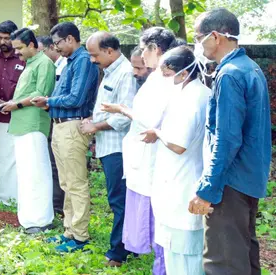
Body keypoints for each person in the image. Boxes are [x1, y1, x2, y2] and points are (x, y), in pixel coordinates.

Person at [190, 8, 270, 274]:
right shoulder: (250, 68)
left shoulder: (230, 74)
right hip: (248, 177)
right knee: (244, 253)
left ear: (215, 36)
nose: (196, 44)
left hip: (230, 181)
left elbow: (226, 139)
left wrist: (208, 188)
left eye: (198, 37)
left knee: (222, 260)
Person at [108, 27, 180, 275]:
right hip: (146, 157)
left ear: (156, 50)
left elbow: (150, 119)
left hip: (156, 158)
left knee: (160, 222)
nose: (142, 58)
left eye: (145, 50)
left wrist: (122, 110)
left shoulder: (164, 79)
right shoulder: (159, 77)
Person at [32, 22, 99, 253]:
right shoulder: (69, 61)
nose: (55, 47)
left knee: (77, 183)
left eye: (58, 43)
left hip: (72, 127)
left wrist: (48, 101)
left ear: (70, 39)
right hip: (59, 126)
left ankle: (80, 236)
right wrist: (48, 102)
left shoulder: (83, 61)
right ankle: (69, 230)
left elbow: (76, 99)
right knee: (66, 182)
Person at [148, 46, 211, 275]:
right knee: (182, 252)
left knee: (184, 255)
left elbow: (178, 144)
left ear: (183, 74)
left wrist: (157, 132)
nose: (164, 79)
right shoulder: (198, 92)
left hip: (183, 180)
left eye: (166, 74)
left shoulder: (192, 99)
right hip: (182, 176)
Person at [82, 32, 139, 266]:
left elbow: (124, 116)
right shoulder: (111, 71)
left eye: (95, 55)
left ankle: (118, 253)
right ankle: (131, 245)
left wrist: (94, 126)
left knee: (119, 200)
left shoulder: (126, 73)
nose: (93, 60)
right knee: (119, 199)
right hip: (108, 146)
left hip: (119, 148)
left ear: (109, 51)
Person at [0, 28, 54, 234]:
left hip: (34, 125)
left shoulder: (44, 63)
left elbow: (41, 94)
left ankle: (41, 220)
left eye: (20, 48)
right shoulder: (29, 64)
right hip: (21, 126)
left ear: (32, 45)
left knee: (37, 173)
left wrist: (16, 105)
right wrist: (11, 103)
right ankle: (29, 219)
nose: (17, 53)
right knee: (26, 174)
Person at [0, 20, 24, 205]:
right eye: (0, 38)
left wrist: (14, 103)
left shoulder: (23, 58)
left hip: (19, 115)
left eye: (7, 38)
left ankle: (12, 196)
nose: (2, 42)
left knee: (14, 158)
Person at [36, 35, 64, 216]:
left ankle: (57, 207)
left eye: (41, 52)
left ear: (51, 48)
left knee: (56, 165)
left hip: (61, 120)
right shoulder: (54, 66)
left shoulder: (62, 67)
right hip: (51, 119)